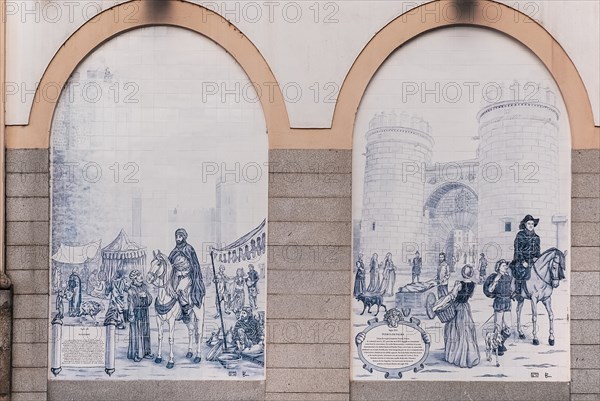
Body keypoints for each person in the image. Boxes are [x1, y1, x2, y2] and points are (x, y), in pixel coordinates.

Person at [444, 265, 480, 368]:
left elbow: (453, 295)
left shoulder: (458, 283)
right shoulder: (474, 284)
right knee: (467, 331)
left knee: (454, 331)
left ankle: (454, 356)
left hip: (457, 307)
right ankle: (469, 356)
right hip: (465, 308)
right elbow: (471, 296)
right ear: (471, 274)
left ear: (462, 273)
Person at [168, 228, 205, 324]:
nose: (178, 239)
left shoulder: (189, 249)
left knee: (180, 290)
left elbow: (194, 264)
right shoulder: (175, 250)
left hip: (187, 275)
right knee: (171, 291)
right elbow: (169, 262)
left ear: (184, 237)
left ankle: (185, 312)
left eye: (180, 237)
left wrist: (186, 272)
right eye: (176, 237)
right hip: (176, 276)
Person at [486, 259, 514, 356]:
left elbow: (511, 289)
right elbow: (490, 290)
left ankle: (499, 342)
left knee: (509, 328)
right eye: (503, 266)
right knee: (498, 327)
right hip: (499, 302)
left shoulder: (508, 277)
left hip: (507, 303)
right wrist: (495, 281)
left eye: (505, 266)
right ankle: (497, 346)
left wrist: (512, 294)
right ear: (498, 267)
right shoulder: (495, 277)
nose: (505, 267)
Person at [512, 215, 541, 301]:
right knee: (520, 271)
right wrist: (522, 261)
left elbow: (538, 250)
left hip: (532, 260)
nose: (531, 225)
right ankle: (518, 292)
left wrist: (537, 258)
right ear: (525, 224)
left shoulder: (537, 237)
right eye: (529, 223)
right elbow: (518, 249)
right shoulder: (520, 235)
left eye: (532, 223)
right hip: (521, 260)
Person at [127, 270, 153, 362]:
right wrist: (139, 296)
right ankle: (136, 354)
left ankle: (146, 352)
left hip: (145, 313)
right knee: (136, 334)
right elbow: (131, 304)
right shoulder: (131, 290)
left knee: (145, 333)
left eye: (141, 275)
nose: (141, 277)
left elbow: (150, 299)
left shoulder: (144, 287)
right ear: (134, 279)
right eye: (139, 276)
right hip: (136, 313)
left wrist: (146, 296)